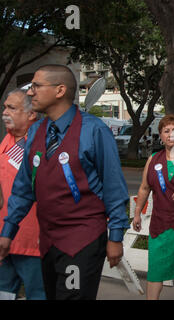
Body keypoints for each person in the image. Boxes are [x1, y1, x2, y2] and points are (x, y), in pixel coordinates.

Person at [0, 64, 130, 300]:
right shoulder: (37, 131)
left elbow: (114, 188)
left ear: (60, 90)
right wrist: (8, 231)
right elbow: (23, 190)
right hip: (48, 241)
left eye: (37, 86)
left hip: (83, 239)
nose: (31, 93)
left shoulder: (95, 131)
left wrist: (116, 237)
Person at [132, 114, 174, 300]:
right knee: (156, 270)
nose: (171, 134)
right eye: (166, 131)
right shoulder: (153, 160)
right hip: (160, 225)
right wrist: (137, 214)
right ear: (161, 135)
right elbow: (144, 188)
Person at [0, 89, 45, 300]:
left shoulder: (39, 144)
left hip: (33, 243)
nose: (5, 113)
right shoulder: (6, 142)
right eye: (4, 107)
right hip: (4, 241)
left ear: (31, 114)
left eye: (12, 108)